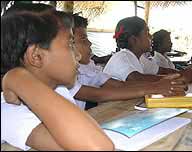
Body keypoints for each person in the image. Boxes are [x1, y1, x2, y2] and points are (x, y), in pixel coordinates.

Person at [1, 11, 114, 151]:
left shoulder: (59, 90)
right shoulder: (7, 111)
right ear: (36, 56)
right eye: (70, 44)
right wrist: (17, 78)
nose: (78, 55)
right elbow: (98, 148)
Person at [68, 14, 187, 110]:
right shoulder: (122, 57)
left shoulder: (87, 67)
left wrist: (161, 83)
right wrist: (157, 86)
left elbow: (120, 85)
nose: (90, 43)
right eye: (83, 38)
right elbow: (99, 94)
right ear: (134, 39)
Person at [103, 16, 192, 84]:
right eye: (147, 33)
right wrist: (179, 78)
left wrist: (181, 73)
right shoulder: (122, 57)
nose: (151, 37)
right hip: (110, 109)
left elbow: (162, 71)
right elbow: (138, 80)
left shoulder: (141, 59)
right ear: (134, 39)